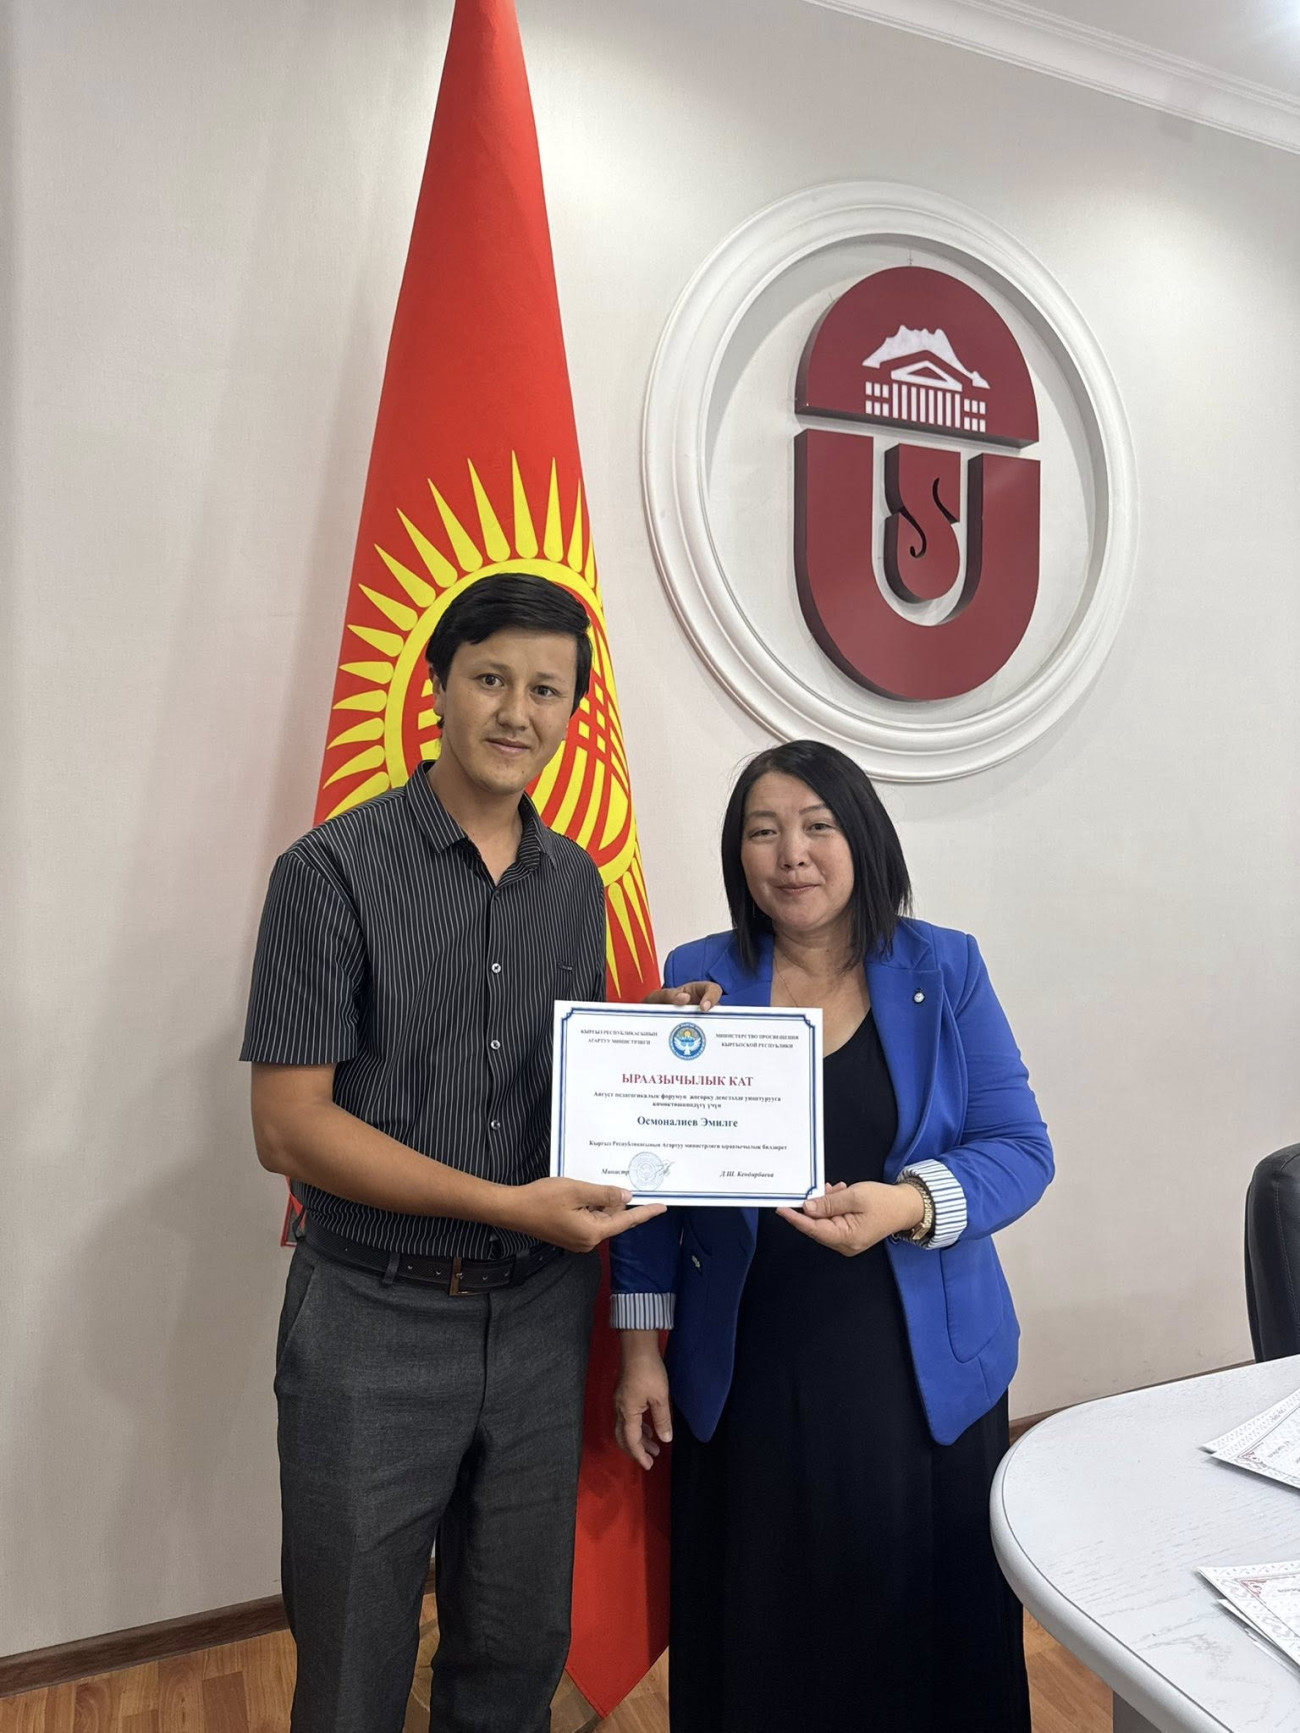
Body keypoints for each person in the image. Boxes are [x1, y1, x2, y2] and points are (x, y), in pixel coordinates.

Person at [241, 574, 665, 1733]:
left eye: (546, 689)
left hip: (536, 1321)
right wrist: (506, 1204)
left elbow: (565, 1084)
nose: (517, 711)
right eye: (490, 678)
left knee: (514, 1651)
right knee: (352, 1662)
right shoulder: (327, 872)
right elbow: (288, 1125)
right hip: (370, 1320)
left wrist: (658, 1050)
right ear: (436, 686)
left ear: (572, 711)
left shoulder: (574, 883)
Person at [610, 738, 1054, 1733]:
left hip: (919, 1367)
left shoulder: (944, 965)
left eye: (817, 825)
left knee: (925, 1637)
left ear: (862, 837)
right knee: (765, 1638)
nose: (791, 854)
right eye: (762, 831)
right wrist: (639, 1350)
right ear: (738, 856)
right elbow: (649, 1190)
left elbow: (1020, 1149)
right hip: (750, 1362)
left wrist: (908, 1203)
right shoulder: (696, 978)